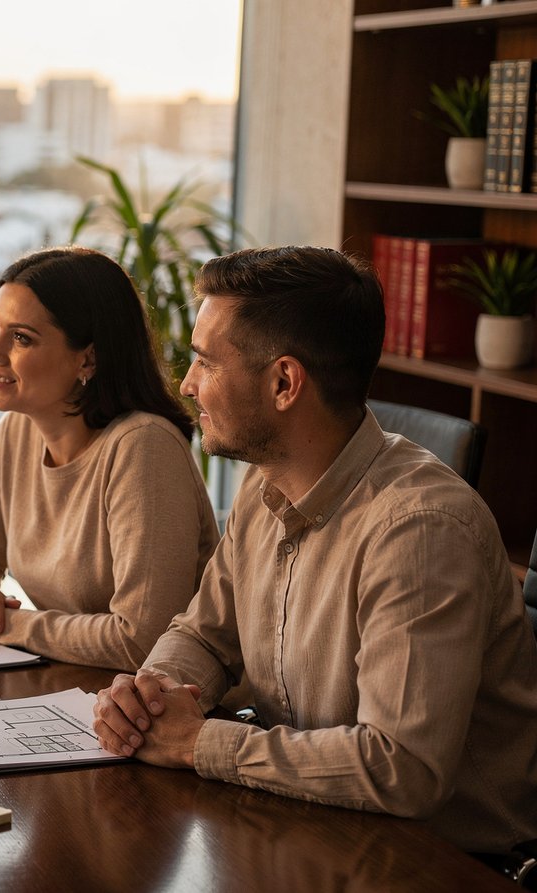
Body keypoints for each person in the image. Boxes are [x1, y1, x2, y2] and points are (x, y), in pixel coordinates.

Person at [92, 246, 537, 857]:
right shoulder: (265, 482)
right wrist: (150, 697)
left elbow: (401, 769)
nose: (186, 384)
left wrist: (198, 744)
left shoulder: (421, 531)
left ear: (283, 383)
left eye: (204, 363)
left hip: (444, 863)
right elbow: (203, 635)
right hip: (313, 828)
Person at [0, 247, 218, 670]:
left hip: (176, 707)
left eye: (21, 338)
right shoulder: (18, 430)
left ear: (88, 357)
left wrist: (10, 626)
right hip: (78, 691)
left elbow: (143, 640)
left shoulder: (143, 448)